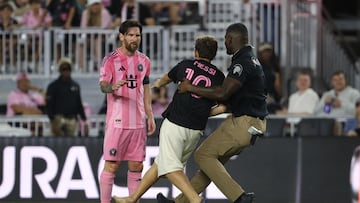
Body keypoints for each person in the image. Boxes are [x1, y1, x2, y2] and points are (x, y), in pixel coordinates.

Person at [159, 22, 268, 203]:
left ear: (230, 39)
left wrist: (189, 87)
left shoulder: (243, 62)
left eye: (225, 39)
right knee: (209, 166)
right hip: (249, 122)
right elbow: (235, 98)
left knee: (203, 155)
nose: (224, 43)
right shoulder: (251, 59)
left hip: (244, 123)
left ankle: (239, 197)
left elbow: (223, 93)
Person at [112, 35, 225, 203]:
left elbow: (166, 78)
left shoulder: (186, 65)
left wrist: (157, 85)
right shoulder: (220, 77)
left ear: (196, 52)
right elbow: (223, 107)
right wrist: (203, 113)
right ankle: (133, 198)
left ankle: (195, 200)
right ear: (214, 55)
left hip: (175, 123)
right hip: (196, 130)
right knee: (161, 164)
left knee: (170, 168)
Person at [98, 20, 156, 203]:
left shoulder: (144, 61)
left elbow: (145, 88)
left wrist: (150, 113)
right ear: (121, 36)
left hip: (138, 122)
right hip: (117, 122)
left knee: (136, 165)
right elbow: (103, 86)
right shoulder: (110, 60)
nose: (134, 38)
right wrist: (112, 87)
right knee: (112, 165)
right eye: (130, 35)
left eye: (137, 35)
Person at [45, 57, 88, 136]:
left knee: (70, 143)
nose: (66, 71)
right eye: (63, 69)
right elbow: (49, 105)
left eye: (68, 68)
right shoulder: (53, 86)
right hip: (57, 119)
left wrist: (84, 120)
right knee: (57, 143)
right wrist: (52, 120)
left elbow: (79, 104)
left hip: (71, 120)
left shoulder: (75, 86)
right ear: (60, 70)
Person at [6, 72, 46, 136]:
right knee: (30, 118)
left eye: (26, 81)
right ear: (18, 84)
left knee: (40, 122)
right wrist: (35, 112)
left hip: (33, 121)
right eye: (22, 82)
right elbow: (17, 109)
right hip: (16, 121)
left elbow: (45, 103)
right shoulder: (13, 94)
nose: (24, 84)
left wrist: (39, 90)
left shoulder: (33, 95)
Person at [257, 42, 282, 114]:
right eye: (264, 51)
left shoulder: (274, 66)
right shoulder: (256, 65)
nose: (266, 53)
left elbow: (277, 84)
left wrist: (281, 97)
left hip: (273, 99)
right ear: (260, 53)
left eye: (268, 51)